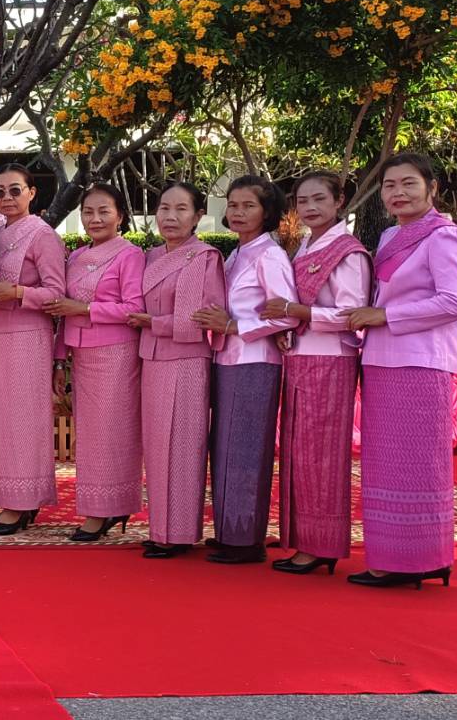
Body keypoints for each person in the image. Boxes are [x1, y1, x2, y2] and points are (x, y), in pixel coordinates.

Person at [343, 153, 457, 589]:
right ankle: (396, 556)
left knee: (417, 463)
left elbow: (456, 301)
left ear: (432, 188)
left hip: (421, 361)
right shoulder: (392, 233)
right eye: (389, 185)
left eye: (408, 184)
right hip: (384, 359)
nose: (398, 193)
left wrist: (384, 317)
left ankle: (420, 558)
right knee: (385, 463)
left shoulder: (443, 237)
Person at [264, 172, 369, 575]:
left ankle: (321, 543)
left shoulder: (348, 252)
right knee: (299, 452)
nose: (310, 207)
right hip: (302, 357)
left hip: (330, 358)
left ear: (339, 201)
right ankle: (305, 538)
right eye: (302, 200)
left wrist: (297, 313)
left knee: (321, 456)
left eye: (319, 199)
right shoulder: (307, 243)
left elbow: (352, 314)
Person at [197, 174, 298, 565]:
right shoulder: (237, 253)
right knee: (224, 447)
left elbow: (285, 314)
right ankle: (229, 530)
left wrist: (235, 326)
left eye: (248, 206)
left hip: (255, 362)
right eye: (233, 205)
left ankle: (246, 540)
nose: (238, 213)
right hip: (226, 358)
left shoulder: (269, 255)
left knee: (246, 450)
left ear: (267, 211)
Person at [128, 182, 226, 559]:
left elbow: (200, 318)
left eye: (181, 209)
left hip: (187, 359)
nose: (171, 217)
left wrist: (154, 322)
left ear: (199, 215)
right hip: (151, 358)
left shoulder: (203, 256)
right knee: (156, 446)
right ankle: (160, 528)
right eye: (164, 208)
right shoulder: (150, 255)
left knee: (183, 445)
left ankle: (181, 532)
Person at [44, 182, 145, 542]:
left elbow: (135, 308)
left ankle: (108, 508)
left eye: (104, 211)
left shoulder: (129, 255)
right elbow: (61, 311)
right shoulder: (75, 256)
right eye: (88, 211)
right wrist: (59, 361)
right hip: (80, 355)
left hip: (116, 353)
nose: (95, 218)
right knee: (89, 436)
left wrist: (86, 309)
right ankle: (102, 506)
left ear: (120, 215)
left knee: (111, 433)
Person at [0, 164, 66, 536]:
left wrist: (16, 292)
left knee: (23, 421)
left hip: (28, 336)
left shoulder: (42, 235)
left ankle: (24, 502)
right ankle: (8, 497)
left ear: (32, 193)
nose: (7, 199)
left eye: (14, 191)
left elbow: (57, 292)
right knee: (0, 422)